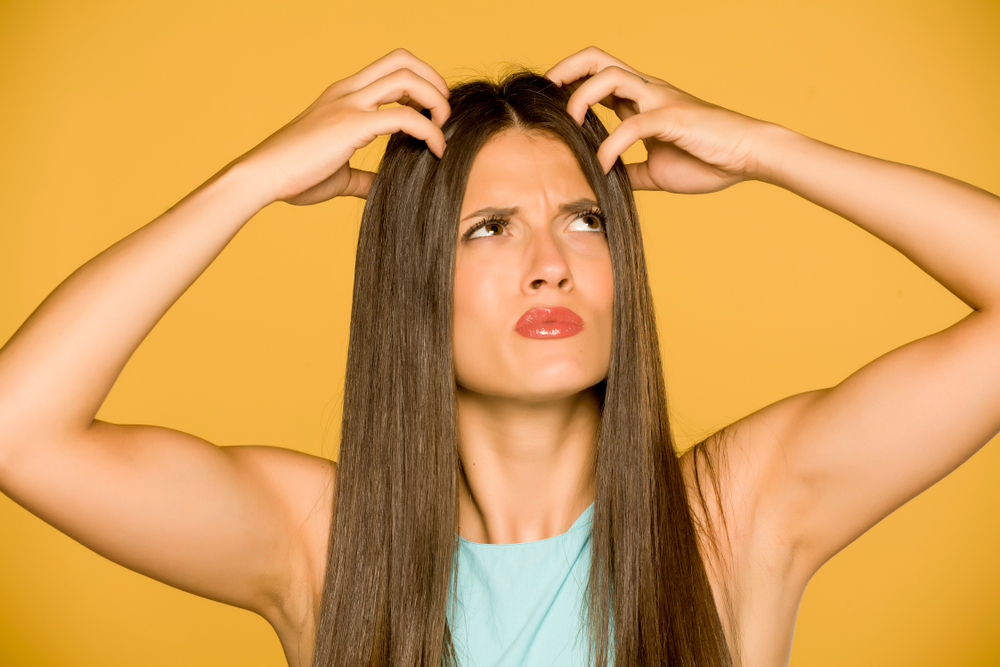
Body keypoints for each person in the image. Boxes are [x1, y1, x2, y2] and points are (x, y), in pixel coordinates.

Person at [0, 45, 997, 667]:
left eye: (580, 220)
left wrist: (766, 148)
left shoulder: (734, 519)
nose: (549, 266)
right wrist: (250, 180)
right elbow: (18, 430)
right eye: (487, 230)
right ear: (412, 277)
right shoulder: (323, 544)